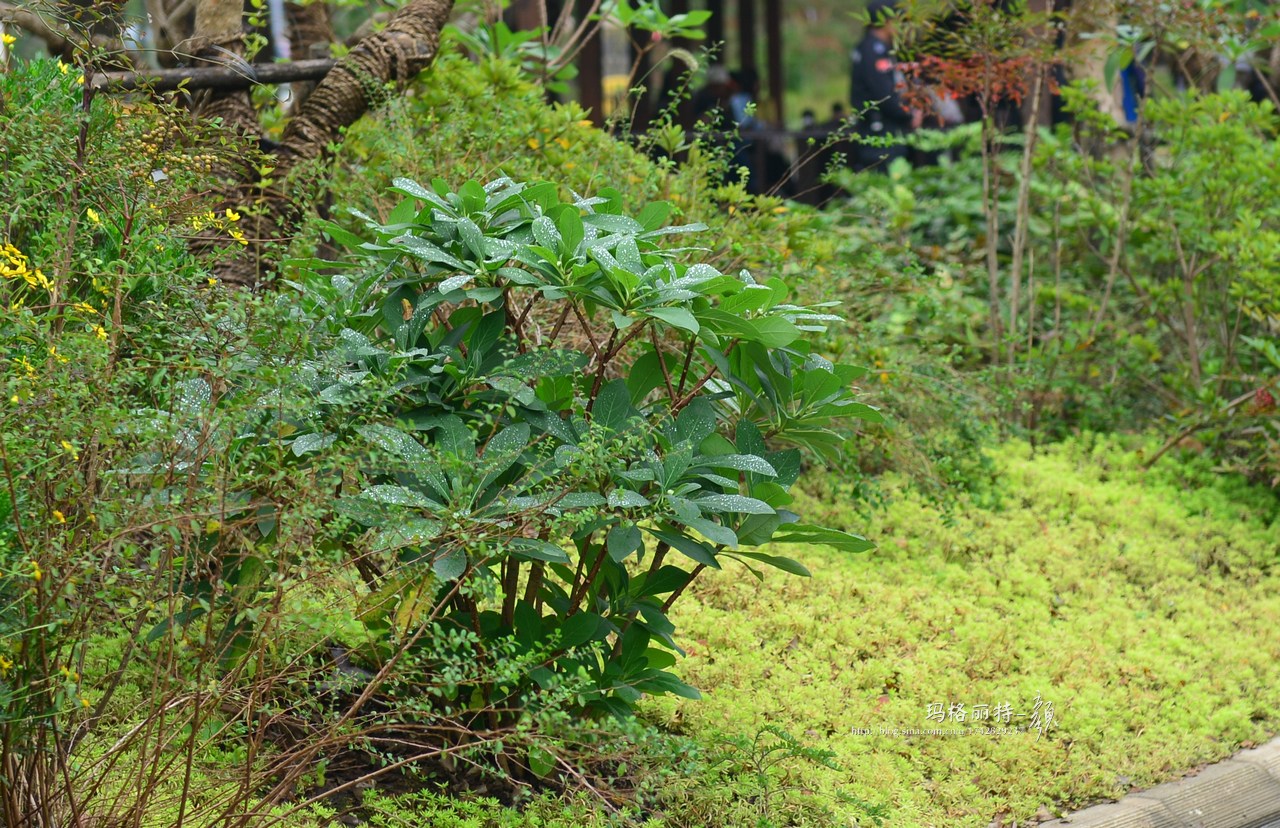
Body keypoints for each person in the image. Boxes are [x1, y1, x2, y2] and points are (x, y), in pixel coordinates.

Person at [849, 0, 921, 171]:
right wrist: (909, 116)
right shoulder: (874, 51)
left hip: (881, 131)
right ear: (887, 22)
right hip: (881, 132)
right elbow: (885, 95)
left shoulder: (870, 47)